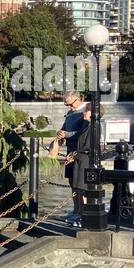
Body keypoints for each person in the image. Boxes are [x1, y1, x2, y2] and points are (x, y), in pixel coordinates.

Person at [56, 91, 91, 225]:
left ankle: (83, 211)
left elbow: (82, 133)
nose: (69, 107)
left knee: (81, 184)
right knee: (72, 182)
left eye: (70, 104)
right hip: (70, 152)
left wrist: (67, 134)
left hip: (80, 153)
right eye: (67, 104)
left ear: (78, 99)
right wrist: (60, 133)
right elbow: (65, 128)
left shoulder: (86, 113)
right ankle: (76, 210)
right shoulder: (70, 113)